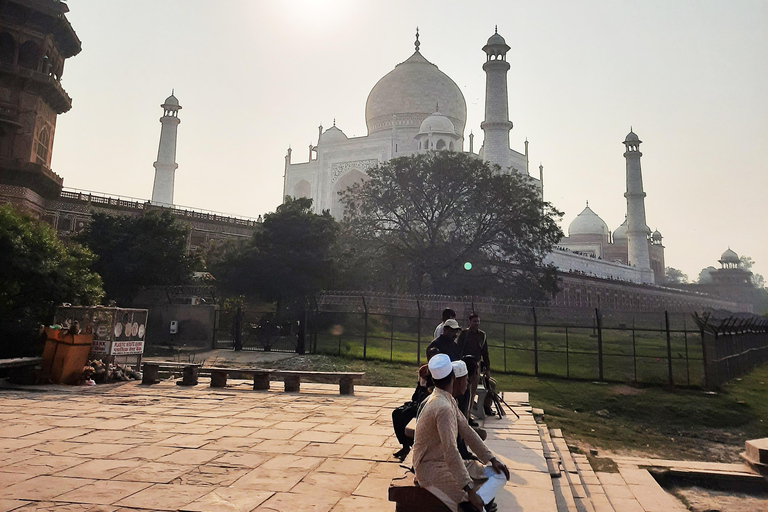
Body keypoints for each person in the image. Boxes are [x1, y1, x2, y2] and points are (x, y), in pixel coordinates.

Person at [413, 354, 509, 512]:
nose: (468, 382)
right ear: (453, 378)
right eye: (465, 379)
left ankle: (477, 505)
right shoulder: (442, 407)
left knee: (499, 474)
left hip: (443, 462)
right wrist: (469, 489)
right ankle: (474, 505)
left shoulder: (447, 399)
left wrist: (491, 458)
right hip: (430, 468)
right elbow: (451, 450)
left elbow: (466, 429)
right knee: (470, 496)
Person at [391, 347, 439, 460]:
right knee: (397, 413)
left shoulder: (439, 371)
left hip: (429, 403)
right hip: (420, 400)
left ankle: (413, 446)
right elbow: (420, 387)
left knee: (405, 415)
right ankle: (405, 445)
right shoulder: (424, 370)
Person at [457, 313, 493, 418]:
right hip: (464, 365)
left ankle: (468, 415)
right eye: (474, 321)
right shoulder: (464, 334)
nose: (476, 323)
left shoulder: (482, 335)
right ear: (469, 322)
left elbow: (485, 353)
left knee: (472, 392)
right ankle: (461, 414)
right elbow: (459, 348)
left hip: (476, 366)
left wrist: (487, 368)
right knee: (463, 391)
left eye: (478, 321)